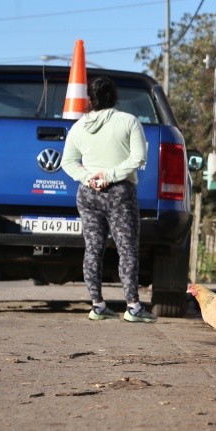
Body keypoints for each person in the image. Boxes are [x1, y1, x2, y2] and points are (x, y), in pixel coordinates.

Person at [61, 76, 156, 322]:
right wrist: (110, 175)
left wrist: (88, 177)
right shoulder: (128, 122)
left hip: (88, 193)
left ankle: (97, 305)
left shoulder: (79, 127)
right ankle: (133, 307)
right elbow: (138, 158)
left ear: (89, 100)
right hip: (120, 193)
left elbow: (67, 161)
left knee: (93, 249)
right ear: (115, 97)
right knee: (127, 249)